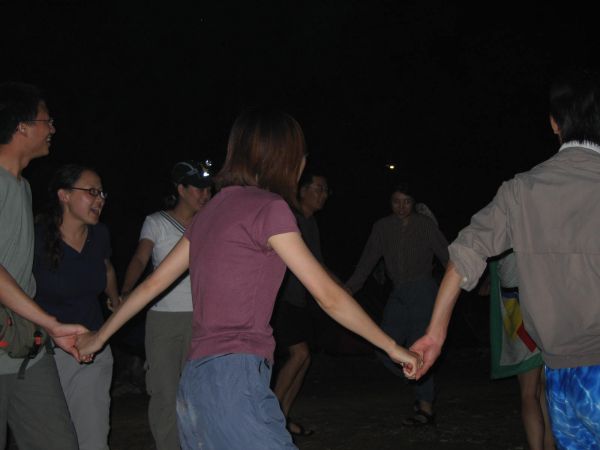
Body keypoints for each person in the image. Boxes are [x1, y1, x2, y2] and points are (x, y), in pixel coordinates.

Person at [76, 108, 422, 450]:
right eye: (300, 154)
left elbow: (153, 285)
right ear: (284, 158)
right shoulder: (270, 208)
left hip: (195, 384)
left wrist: (98, 337)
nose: (303, 162)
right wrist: (393, 347)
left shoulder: (211, 210)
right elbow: (328, 295)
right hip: (234, 381)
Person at [411, 69, 600, 449]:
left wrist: (435, 333)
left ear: (554, 123)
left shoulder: (521, 191)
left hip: (564, 375)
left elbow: (465, 253)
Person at [0, 82, 87, 450]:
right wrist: (51, 322)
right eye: (46, 120)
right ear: (22, 126)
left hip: (25, 349)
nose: (52, 128)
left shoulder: (21, 186)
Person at [120, 160, 212, 450]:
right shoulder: (156, 221)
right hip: (164, 318)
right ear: (181, 189)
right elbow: (140, 257)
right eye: (198, 188)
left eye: (208, 189)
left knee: (198, 391)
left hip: (202, 318)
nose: (205, 194)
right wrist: (126, 290)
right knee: (164, 392)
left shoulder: (210, 222)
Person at [345, 184, 449, 426]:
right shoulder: (382, 227)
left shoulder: (425, 225)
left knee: (418, 347)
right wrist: (348, 289)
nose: (401, 207)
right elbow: (367, 260)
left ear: (414, 203)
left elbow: (448, 257)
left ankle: (425, 406)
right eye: (396, 201)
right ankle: (423, 381)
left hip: (424, 290)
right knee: (382, 346)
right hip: (398, 292)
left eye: (407, 202)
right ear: (390, 202)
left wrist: (458, 288)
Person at [33, 164, 117, 450]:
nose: (100, 199)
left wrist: (115, 300)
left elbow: (106, 268)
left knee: (92, 438)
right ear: (64, 195)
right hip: (46, 354)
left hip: (91, 349)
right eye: (92, 191)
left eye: (102, 193)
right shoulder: (36, 237)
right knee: (53, 438)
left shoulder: (100, 235)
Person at [272, 169, 330, 437]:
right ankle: (270, 418)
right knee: (299, 354)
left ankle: (282, 416)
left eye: (326, 190)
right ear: (302, 190)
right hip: (281, 299)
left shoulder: (311, 223)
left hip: (300, 301)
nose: (324, 194)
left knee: (304, 359)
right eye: (319, 188)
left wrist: (342, 288)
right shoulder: (289, 218)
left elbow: (317, 264)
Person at [484, 252, 555, 450]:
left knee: (529, 393)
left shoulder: (509, 236)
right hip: (547, 311)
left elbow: (506, 272)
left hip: (520, 311)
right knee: (544, 389)